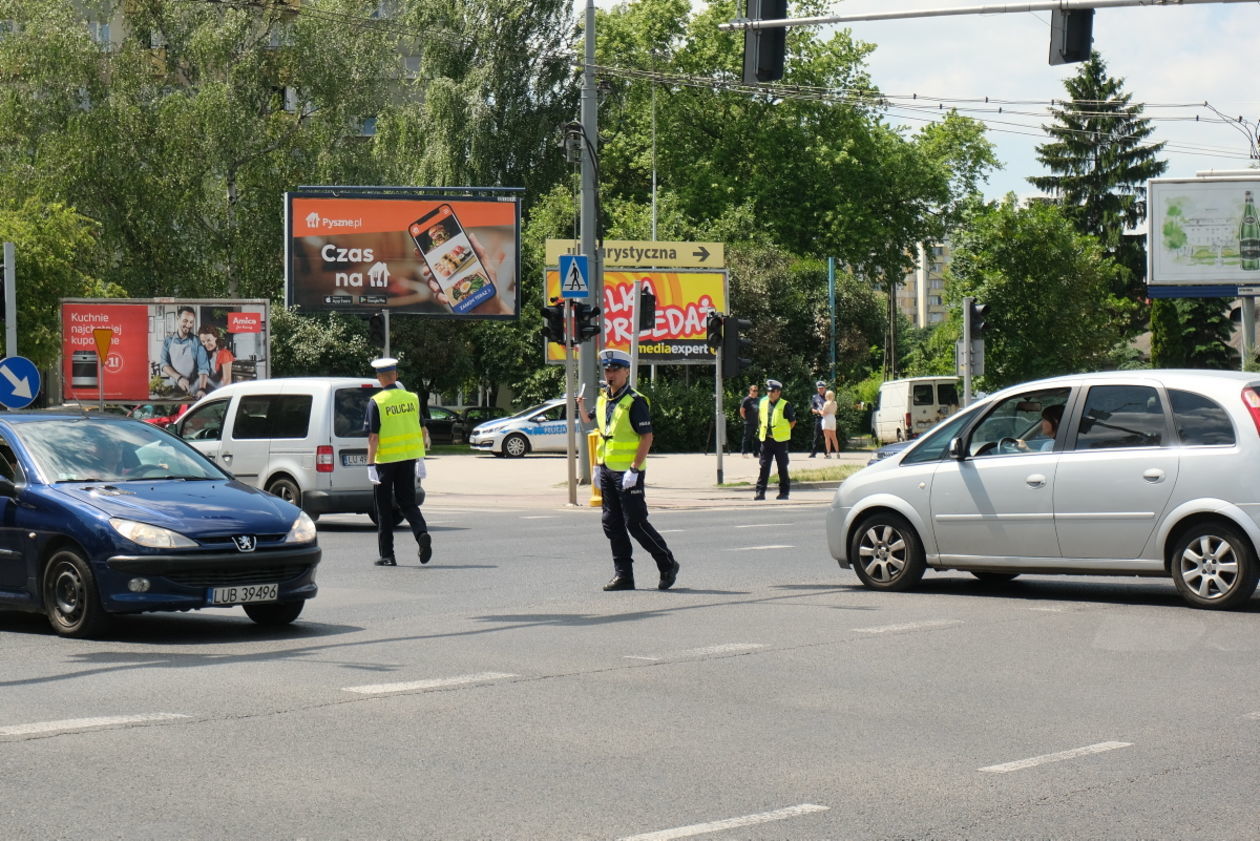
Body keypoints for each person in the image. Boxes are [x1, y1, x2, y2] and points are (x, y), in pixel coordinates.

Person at [576, 348, 679, 592]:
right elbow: (593, 424)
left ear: (626, 371)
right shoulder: (604, 399)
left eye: (615, 369)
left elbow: (647, 437)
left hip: (629, 473)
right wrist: (597, 467)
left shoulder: (635, 401)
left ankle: (667, 563)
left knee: (636, 523)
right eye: (607, 369)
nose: (609, 373)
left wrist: (634, 469)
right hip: (607, 469)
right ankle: (623, 575)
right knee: (611, 522)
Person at [364, 357, 432, 567]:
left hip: (385, 461)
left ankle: (387, 555)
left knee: (383, 508)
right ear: (396, 376)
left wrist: (370, 465)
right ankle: (421, 533)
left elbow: (373, 437)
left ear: (379, 378)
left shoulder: (377, 402)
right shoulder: (412, 398)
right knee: (408, 503)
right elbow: (422, 429)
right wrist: (421, 457)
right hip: (408, 459)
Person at [754, 379, 796, 500]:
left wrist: (782, 432)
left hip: (780, 441)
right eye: (768, 391)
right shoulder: (762, 402)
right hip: (766, 440)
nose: (770, 393)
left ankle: (784, 493)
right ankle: (760, 492)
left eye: (772, 391)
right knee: (764, 466)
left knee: (782, 467)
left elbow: (792, 422)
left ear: (778, 392)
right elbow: (760, 419)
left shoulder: (785, 404)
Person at [159, 305, 209, 398]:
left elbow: (203, 368)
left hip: (192, 390)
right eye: (185, 321)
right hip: (172, 389)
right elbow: (164, 364)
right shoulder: (168, 340)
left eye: (191, 322)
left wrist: (202, 389)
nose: (188, 325)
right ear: (178, 319)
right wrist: (179, 378)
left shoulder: (196, 342)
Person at [198, 325, 235, 391]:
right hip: (214, 388)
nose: (206, 344)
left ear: (216, 337)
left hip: (222, 389)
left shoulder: (224, 354)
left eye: (209, 340)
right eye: (203, 341)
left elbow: (227, 380)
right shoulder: (211, 353)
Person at [738, 383, 761, 458]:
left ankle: (756, 453)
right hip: (748, 422)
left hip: (757, 423)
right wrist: (746, 418)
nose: (755, 392)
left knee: (757, 439)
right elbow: (741, 411)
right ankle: (744, 453)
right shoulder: (746, 400)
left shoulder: (758, 400)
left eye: (756, 390)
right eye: (753, 390)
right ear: (750, 391)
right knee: (747, 438)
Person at [808, 380, 827, 457]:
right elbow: (812, 409)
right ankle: (813, 453)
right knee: (816, 436)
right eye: (819, 388)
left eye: (822, 388)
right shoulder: (815, 397)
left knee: (826, 436)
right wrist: (819, 412)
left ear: (825, 388)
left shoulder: (828, 396)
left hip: (827, 419)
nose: (821, 389)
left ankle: (827, 453)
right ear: (817, 389)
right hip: (819, 418)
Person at [821, 389, 839, 458]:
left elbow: (823, 413)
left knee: (827, 438)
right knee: (834, 437)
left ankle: (828, 453)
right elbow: (834, 412)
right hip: (833, 419)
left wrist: (819, 411)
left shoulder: (826, 403)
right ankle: (837, 453)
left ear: (827, 396)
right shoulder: (835, 403)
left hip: (827, 419)